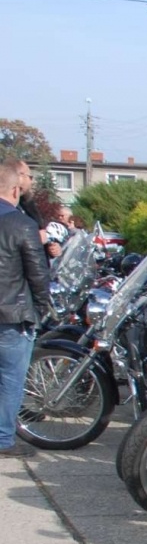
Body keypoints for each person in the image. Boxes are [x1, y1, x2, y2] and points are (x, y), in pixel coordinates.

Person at [0, 158, 51, 458]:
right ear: (17, 189)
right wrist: (44, 309)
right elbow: (37, 273)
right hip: (13, 315)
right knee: (10, 380)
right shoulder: (22, 224)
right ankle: (4, 439)